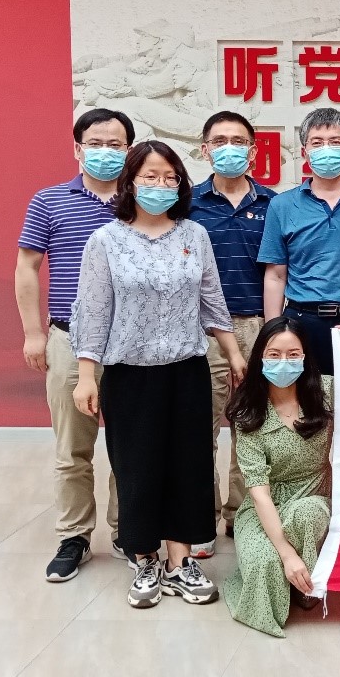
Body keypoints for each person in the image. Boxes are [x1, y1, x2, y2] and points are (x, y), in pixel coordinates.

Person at [71, 141, 247, 609]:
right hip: (129, 374)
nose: (161, 185)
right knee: (136, 467)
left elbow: (212, 299)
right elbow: (93, 311)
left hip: (187, 371)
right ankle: (144, 557)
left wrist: (233, 353)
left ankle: (180, 561)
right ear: (130, 182)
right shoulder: (106, 240)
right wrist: (87, 375)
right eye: (150, 176)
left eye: (170, 177)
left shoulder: (194, 235)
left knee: (189, 465)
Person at [15, 107, 133, 582]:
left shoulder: (142, 201)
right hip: (69, 337)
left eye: (115, 145)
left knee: (129, 446)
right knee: (72, 448)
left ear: (129, 149)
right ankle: (74, 536)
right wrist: (33, 333)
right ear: (78, 149)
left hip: (132, 343)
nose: (106, 153)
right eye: (96, 144)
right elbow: (27, 268)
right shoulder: (49, 201)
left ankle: (127, 530)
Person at [188, 111, 276, 558]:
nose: (229, 148)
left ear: (253, 150)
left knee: (251, 428)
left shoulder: (274, 203)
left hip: (256, 326)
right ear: (205, 149)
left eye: (239, 141)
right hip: (199, 330)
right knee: (200, 430)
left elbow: (278, 271)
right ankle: (200, 519)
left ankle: (241, 515)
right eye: (219, 140)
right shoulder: (186, 202)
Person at [222, 317, 332, 637]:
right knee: (265, 564)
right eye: (274, 354)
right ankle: (289, 566)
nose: (284, 362)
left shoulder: (327, 391)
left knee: (305, 514)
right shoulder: (248, 412)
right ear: (260, 358)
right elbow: (259, 493)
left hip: (312, 500)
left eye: (293, 354)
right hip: (264, 508)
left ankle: (305, 585)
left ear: (305, 357)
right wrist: (285, 554)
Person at [259, 108, 340, 376]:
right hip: (301, 321)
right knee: (308, 397)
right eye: (317, 142)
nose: (326, 149)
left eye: (335, 141)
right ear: (305, 152)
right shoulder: (282, 205)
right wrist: (273, 332)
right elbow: (275, 275)